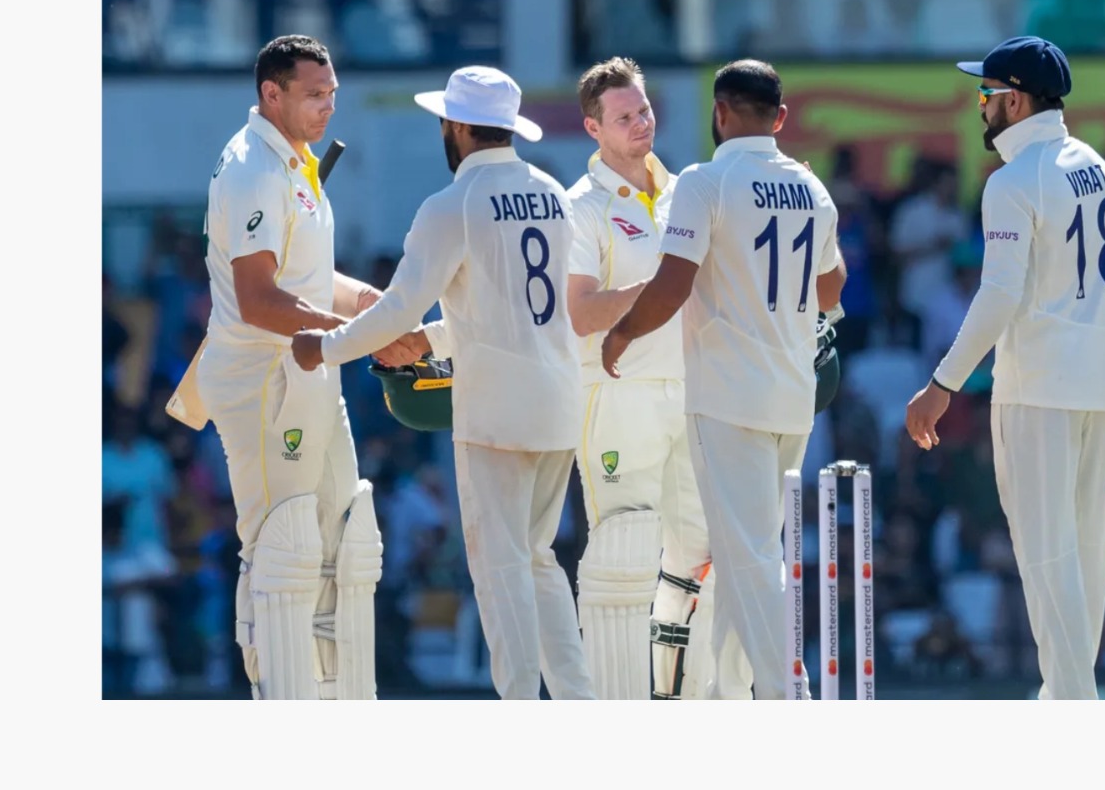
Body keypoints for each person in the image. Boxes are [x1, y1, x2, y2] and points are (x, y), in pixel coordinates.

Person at [290, 65, 596, 700]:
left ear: (455, 126)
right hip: (559, 401)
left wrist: (326, 348)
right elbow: (518, 311)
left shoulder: (451, 205)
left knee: (500, 568)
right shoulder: (552, 193)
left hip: (496, 413)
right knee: (538, 560)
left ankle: (520, 708)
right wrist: (427, 342)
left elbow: (398, 308)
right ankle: (576, 701)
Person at [904, 36, 1105, 700]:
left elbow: (999, 294)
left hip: (1038, 386)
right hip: (1099, 383)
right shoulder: (1096, 166)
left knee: (1045, 550)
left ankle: (1070, 699)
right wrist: (1094, 348)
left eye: (985, 93)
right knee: (1084, 547)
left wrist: (943, 383)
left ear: (1014, 100)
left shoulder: (1013, 181)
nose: (979, 106)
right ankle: (1069, 690)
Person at [601, 59, 847, 700]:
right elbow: (831, 288)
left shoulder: (704, 182)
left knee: (750, 556)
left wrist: (622, 332)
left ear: (720, 112)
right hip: (793, 397)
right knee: (751, 551)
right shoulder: (811, 187)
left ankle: (786, 691)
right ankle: (728, 695)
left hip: (728, 399)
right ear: (780, 118)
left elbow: (672, 285)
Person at [195, 34, 402, 700]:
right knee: (281, 550)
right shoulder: (252, 169)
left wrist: (370, 306)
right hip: (261, 380)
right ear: (271, 94)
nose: (328, 107)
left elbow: (306, 279)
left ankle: (342, 702)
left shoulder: (296, 161)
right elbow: (259, 300)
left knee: (347, 544)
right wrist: (362, 334)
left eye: (332, 93)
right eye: (315, 95)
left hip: (312, 369)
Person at [564, 57, 750, 699]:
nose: (640, 123)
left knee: (697, 561)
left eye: (643, 110)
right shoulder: (579, 208)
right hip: (618, 395)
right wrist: (664, 287)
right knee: (623, 557)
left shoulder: (687, 193)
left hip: (692, 393)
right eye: (623, 117)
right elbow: (580, 312)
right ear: (593, 128)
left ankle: (685, 706)